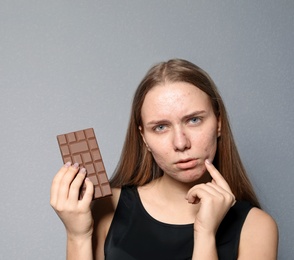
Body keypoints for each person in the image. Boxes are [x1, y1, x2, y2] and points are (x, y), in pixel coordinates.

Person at [50, 59, 278, 259]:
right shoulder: (107, 208)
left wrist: (205, 234)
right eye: (161, 127)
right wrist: (77, 235)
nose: (181, 143)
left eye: (194, 120)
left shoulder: (256, 227)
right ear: (144, 137)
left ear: (218, 123)